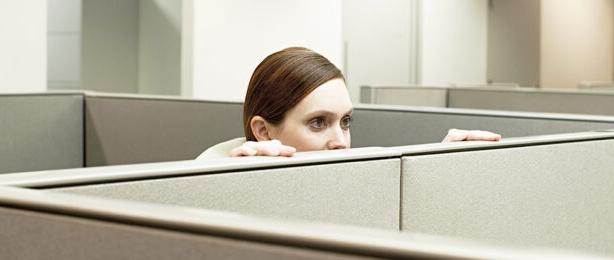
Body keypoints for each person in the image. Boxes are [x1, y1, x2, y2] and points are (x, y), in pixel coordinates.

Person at [197, 47, 500, 160]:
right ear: (263, 132)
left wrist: (433, 165)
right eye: (318, 122)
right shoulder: (206, 189)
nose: (341, 142)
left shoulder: (349, 186)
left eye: (345, 122)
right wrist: (226, 186)